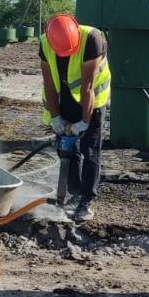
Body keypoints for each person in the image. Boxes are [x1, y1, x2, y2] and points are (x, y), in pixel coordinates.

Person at [39, 13, 112, 221]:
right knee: (68, 149)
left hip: (92, 100)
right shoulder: (45, 43)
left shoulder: (92, 39)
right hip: (64, 99)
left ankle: (86, 201)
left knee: (89, 150)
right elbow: (49, 84)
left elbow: (88, 87)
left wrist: (84, 122)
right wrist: (55, 117)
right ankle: (74, 193)